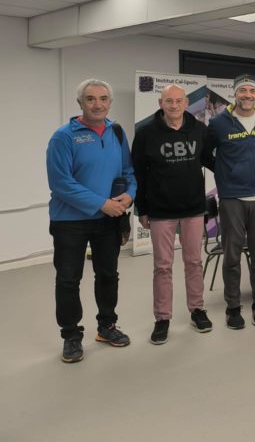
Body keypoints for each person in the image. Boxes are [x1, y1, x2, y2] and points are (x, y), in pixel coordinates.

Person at [46, 78, 136, 363]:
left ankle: (106, 326)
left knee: (108, 275)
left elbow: (128, 172)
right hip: (69, 221)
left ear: (110, 102)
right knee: (69, 279)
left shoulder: (117, 132)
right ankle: (71, 335)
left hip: (108, 221)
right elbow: (61, 183)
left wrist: (129, 197)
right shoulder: (63, 136)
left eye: (103, 99)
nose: (97, 104)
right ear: (80, 103)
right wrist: (101, 204)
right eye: (90, 99)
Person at [131, 84, 214, 345]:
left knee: (193, 262)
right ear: (161, 103)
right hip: (160, 210)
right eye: (169, 101)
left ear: (186, 102)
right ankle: (162, 318)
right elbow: (138, 174)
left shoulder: (200, 129)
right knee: (162, 267)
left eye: (179, 101)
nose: (174, 105)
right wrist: (141, 209)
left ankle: (197, 310)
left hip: (193, 208)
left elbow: (213, 161)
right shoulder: (145, 134)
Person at [206, 74, 255, 329]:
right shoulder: (218, 122)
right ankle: (233, 307)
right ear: (235, 93)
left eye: (252, 91)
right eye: (243, 91)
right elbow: (205, 153)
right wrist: (226, 171)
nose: (247, 95)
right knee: (232, 256)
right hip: (232, 198)